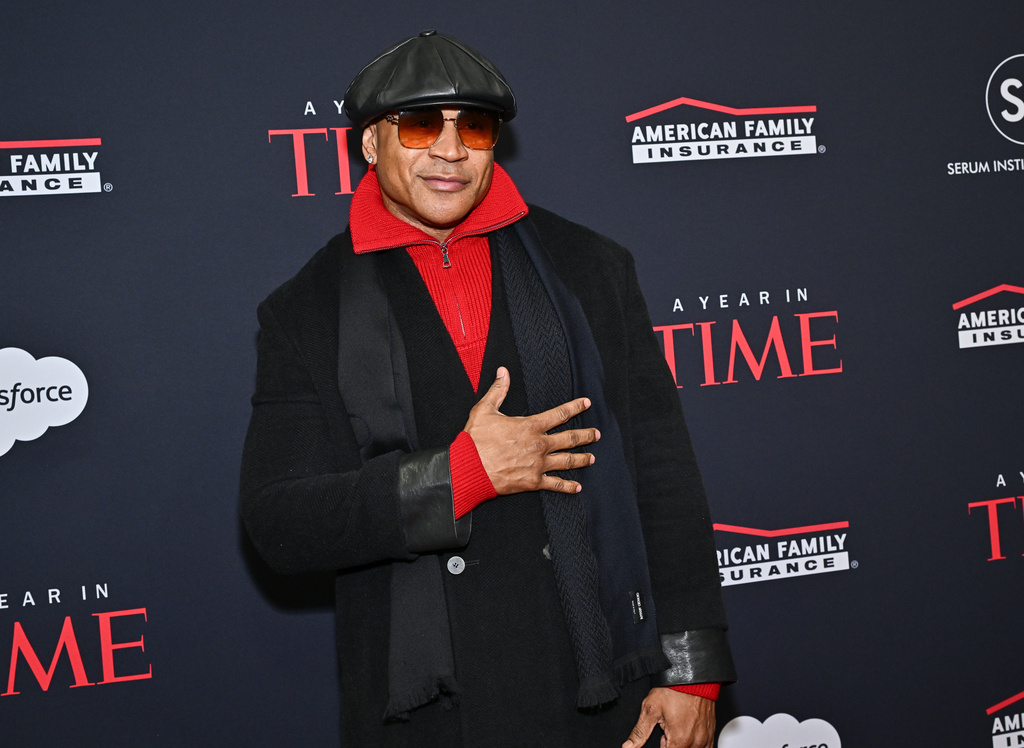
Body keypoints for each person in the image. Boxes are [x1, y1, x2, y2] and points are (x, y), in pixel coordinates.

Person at [240, 30, 734, 748]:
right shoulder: (305, 310)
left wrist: (692, 673)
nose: (450, 150)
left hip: (599, 698)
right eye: (418, 125)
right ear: (371, 144)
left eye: (472, 126)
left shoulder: (590, 269)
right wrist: (460, 474)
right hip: (430, 711)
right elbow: (279, 521)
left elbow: (664, 475)